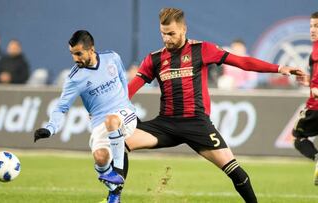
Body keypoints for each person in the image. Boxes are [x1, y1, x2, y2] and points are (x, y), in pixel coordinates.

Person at [125, 8, 305, 203]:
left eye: (171, 34)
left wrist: (278, 68)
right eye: (163, 34)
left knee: (236, 173)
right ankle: (113, 198)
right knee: (119, 145)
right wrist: (111, 109)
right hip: (165, 124)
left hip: (197, 124)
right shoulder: (155, 59)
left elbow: (242, 62)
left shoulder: (201, 49)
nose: (167, 39)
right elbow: (129, 90)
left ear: (184, 29)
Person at [33, 30, 137, 203]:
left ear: (91, 49)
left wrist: (126, 103)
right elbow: (61, 107)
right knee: (101, 158)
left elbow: (122, 80)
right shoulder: (75, 78)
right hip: (100, 123)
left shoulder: (112, 58)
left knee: (112, 120)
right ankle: (112, 189)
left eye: (78, 53)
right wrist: (50, 128)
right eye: (72, 54)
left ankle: (117, 177)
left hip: (124, 113)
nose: (75, 58)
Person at [292, 11, 318, 186]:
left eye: (316, 26)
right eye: (311, 26)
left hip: (315, 107)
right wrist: (310, 82)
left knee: (298, 136)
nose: (312, 29)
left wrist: (315, 88)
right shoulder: (314, 50)